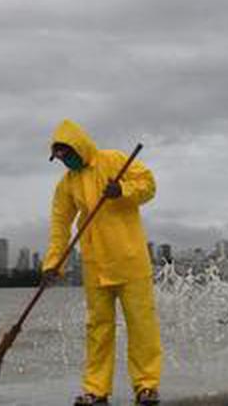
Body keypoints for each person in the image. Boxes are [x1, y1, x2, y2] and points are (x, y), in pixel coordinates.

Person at [42, 119, 162, 406]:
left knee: (141, 326)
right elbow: (60, 225)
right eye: (60, 159)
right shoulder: (66, 185)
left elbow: (148, 185)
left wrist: (121, 190)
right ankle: (96, 390)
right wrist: (52, 263)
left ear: (78, 147)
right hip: (96, 266)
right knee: (98, 329)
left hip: (130, 260)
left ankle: (146, 386)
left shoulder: (113, 160)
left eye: (67, 155)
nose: (65, 162)